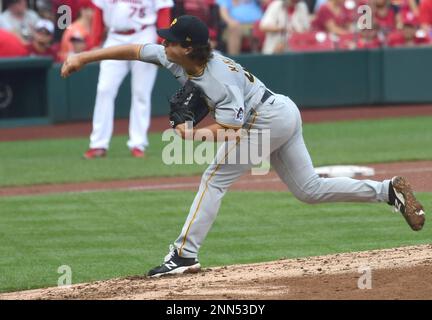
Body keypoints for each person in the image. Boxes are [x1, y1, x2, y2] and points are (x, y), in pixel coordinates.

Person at [61, 15, 426, 278]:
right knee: (309, 189)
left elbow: (232, 131)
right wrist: (83, 57)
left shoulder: (219, 80)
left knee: (214, 178)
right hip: (279, 110)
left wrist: (193, 135)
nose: (163, 43)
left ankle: (184, 254)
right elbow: (134, 49)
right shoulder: (177, 57)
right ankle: (386, 191)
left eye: (169, 40)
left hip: (267, 118)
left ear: (188, 47)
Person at [82, 0, 173, 159]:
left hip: (144, 34)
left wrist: (162, 44)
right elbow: (99, 11)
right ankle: (98, 144)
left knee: (141, 92)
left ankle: (138, 144)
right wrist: (94, 42)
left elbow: (164, 10)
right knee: (104, 89)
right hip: (115, 37)